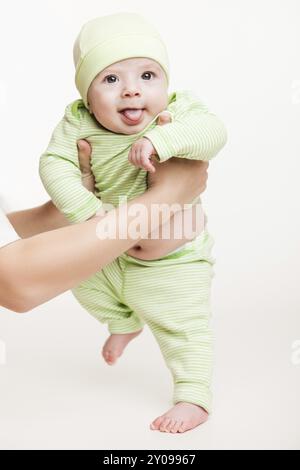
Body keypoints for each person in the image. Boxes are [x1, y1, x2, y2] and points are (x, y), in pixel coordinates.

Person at [38, 12, 227, 433]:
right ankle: (122, 322)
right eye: (110, 80)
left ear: (165, 82)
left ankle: (194, 393)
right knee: (80, 281)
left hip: (172, 259)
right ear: (87, 97)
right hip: (108, 246)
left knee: (183, 326)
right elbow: (53, 165)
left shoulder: (180, 112)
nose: (131, 90)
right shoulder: (78, 122)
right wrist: (87, 212)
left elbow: (214, 132)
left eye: (147, 75)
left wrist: (162, 139)